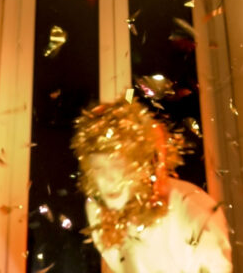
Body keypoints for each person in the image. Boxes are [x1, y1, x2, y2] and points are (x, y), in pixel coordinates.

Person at [71, 98, 232, 273]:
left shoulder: (192, 210)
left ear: (143, 164)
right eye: (98, 168)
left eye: (117, 165)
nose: (108, 179)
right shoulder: (98, 213)